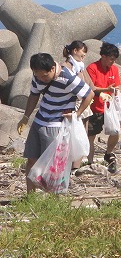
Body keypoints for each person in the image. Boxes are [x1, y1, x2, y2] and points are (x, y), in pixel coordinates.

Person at [16, 53, 94, 193]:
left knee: (53, 163)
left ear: (53, 69)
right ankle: (30, 195)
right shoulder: (37, 75)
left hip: (56, 125)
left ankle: (54, 196)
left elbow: (89, 94)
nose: (41, 79)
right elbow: (34, 95)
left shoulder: (67, 77)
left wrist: (77, 114)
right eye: (38, 75)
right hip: (39, 120)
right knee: (32, 159)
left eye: (44, 76)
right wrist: (26, 117)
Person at [85, 42, 121, 172]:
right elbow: (92, 88)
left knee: (116, 131)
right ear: (103, 56)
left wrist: (113, 92)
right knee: (91, 135)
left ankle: (108, 152)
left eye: (114, 59)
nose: (113, 61)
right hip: (95, 108)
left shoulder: (114, 69)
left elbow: (116, 87)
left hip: (109, 108)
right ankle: (90, 162)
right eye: (111, 58)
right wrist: (106, 90)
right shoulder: (92, 68)